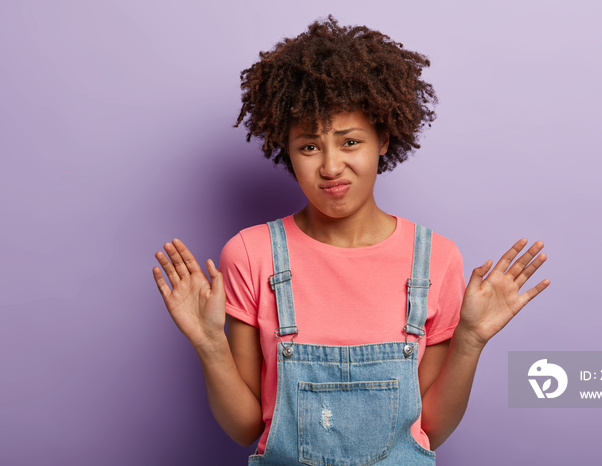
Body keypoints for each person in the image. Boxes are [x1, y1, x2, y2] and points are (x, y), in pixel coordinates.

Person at [152, 16, 549, 464]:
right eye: (308, 146)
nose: (330, 167)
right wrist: (209, 345)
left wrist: (472, 339)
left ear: (383, 139)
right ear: (287, 149)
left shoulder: (436, 259)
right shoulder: (251, 254)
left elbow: (430, 431)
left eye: (350, 142)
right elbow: (244, 427)